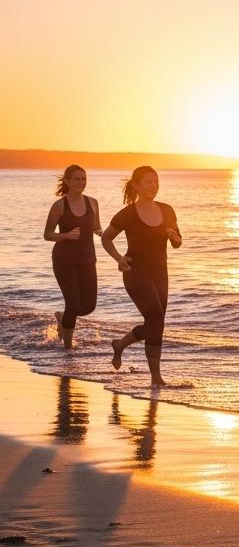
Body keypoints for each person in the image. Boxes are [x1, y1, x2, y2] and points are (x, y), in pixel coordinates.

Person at [102, 166, 181, 386]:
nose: (154, 186)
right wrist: (119, 258)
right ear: (136, 186)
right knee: (155, 317)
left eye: (156, 181)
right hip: (135, 272)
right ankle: (156, 378)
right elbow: (106, 238)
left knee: (156, 323)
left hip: (160, 273)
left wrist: (175, 238)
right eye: (148, 182)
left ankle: (120, 344)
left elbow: (177, 242)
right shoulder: (127, 214)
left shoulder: (167, 210)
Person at [44, 165, 100, 348]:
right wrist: (66, 235)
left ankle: (62, 318)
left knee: (89, 305)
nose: (81, 182)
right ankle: (68, 346)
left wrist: (101, 232)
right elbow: (47, 234)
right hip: (64, 259)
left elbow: (96, 226)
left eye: (84, 179)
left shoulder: (93, 202)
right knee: (73, 303)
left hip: (87, 258)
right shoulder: (59, 205)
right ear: (67, 181)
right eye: (77, 179)